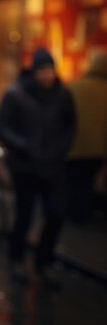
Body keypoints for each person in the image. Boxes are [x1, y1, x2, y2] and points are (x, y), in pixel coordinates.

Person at [0, 48, 76, 286]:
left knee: (55, 214)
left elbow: (70, 125)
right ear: (34, 72)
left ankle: (45, 261)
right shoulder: (16, 94)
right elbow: (2, 126)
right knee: (24, 215)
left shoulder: (63, 95)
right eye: (43, 70)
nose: (48, 75)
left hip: (53, 166)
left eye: (51, 69)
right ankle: (17, 258)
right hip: (25, 168)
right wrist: (23, 146)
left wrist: (60, 150)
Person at [66, 49, 107, 222]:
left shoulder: (74, 87)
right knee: (88, 181)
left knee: (75, 181)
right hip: (98, 148)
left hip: (75, 145)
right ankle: (84, 212)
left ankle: (76, 215)